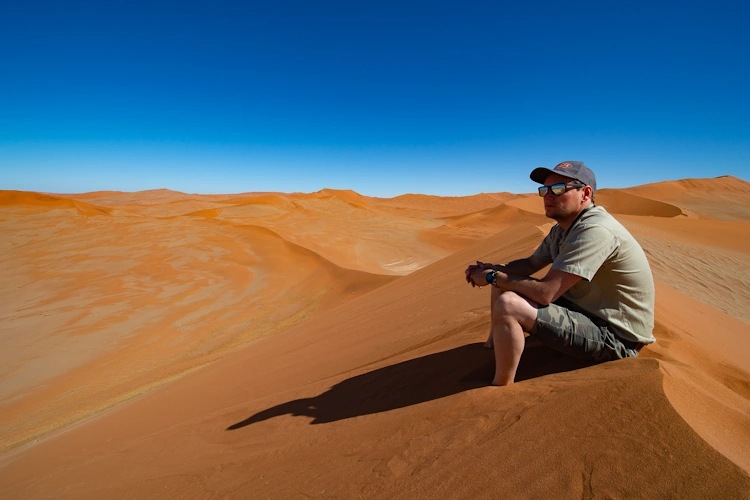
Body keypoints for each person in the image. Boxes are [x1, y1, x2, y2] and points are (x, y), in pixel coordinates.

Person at [465, 161, 655, 386]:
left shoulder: (595, 231)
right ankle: (495, 343)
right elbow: (530, 264)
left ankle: (500, 387)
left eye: (558, 189)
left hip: (616, 337)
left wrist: (491, 277)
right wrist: (493, 269)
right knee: (504, 283)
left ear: (585, 193)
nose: (548, 196)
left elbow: (547, 293)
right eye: (544, 190)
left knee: (509, 304)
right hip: (585, 310)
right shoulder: (563, 228)